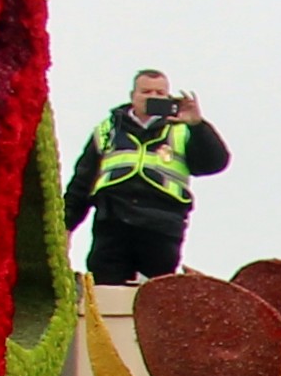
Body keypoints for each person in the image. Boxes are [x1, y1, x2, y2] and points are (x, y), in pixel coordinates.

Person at [71, 68, 231, 285]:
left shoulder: (182, 129)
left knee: (156, 298)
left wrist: (198, 125)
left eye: (160, 93)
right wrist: (67, 225)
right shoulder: (108, 130)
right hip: (113, 222)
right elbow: (81, 183)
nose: (153, 98)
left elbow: (215, 163)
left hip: (161, 226)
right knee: (106, 293)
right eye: (146, 92)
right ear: (132, 96)